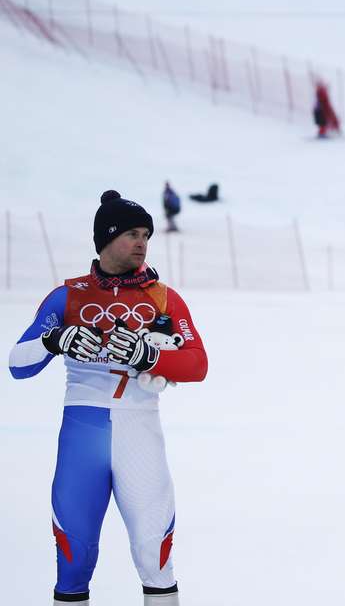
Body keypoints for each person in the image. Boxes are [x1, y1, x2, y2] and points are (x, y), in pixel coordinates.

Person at [7, 191, 208, 606]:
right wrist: (54, 339)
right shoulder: (68, 296)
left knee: (154, 558)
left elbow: (197, 363)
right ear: (105, 239)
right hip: (83, 433)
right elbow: (17, 364)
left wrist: (150, 356)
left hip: (139, 431)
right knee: (73, 561)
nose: (141, 243)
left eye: (146, 235)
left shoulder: (164, 298)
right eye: (132, 233)